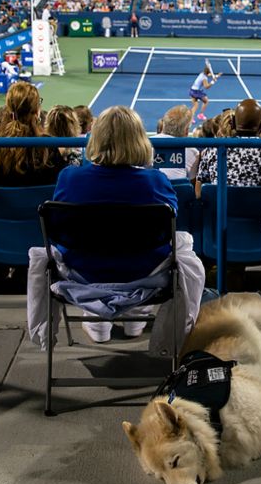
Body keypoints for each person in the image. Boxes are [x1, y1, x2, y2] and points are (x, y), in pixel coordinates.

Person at [52, 105, 178, 343]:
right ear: (139, 139)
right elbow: (169, 228)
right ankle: (138, 310)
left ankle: (96, 316)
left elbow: (59, 227)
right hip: (143, 270)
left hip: (84, 272)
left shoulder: (69, 178)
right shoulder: (156, 181)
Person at [0, 82, 66, 187]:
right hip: (40, 202)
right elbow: (60, 182)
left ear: (9, 109)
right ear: (37, 111)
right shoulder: (49, 146)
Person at [195, 99, 261, 195]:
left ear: (233, 123)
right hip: (258, 208)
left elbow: (199, 186)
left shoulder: (214, 148)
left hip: (221, 208)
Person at [154, 104, 197, 181]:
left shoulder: (145, 144)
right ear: (186, 131)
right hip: (177, 192)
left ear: (163, 124)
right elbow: (192, 181)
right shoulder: (193, 152)